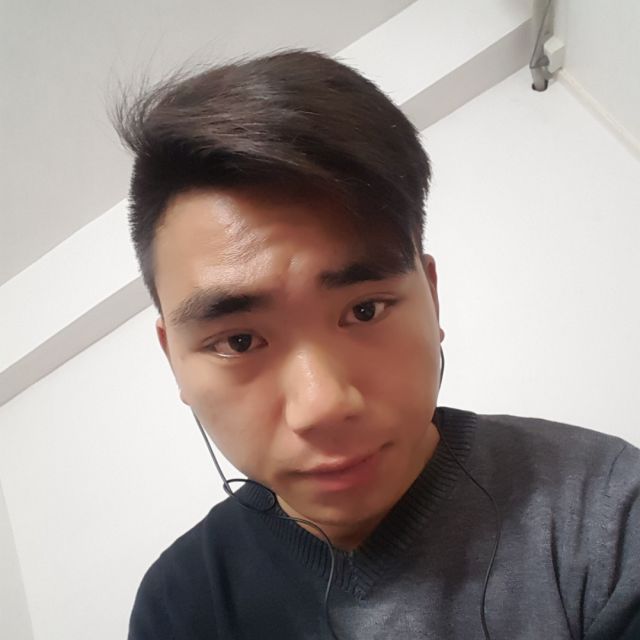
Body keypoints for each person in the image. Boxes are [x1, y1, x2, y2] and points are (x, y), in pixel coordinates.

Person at [116, 50, 640, 639]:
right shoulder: (180, 605)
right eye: (239, 340)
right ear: (173, 360)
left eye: (364, 310)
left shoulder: (604, 512)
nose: (322, 406)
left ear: (431, 296)